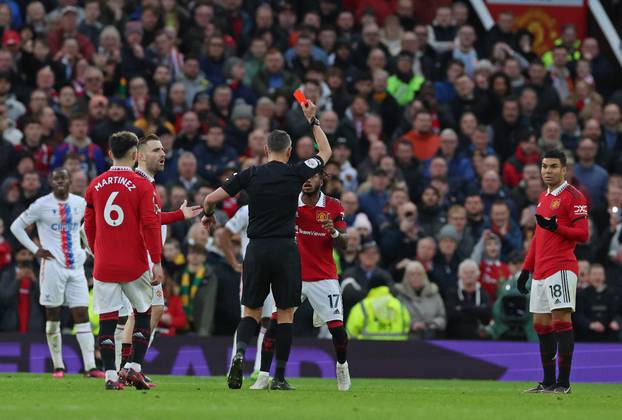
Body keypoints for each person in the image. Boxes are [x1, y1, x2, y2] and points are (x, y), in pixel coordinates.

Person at [201, 100, 331, 390]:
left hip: (256, 249)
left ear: (264, 150)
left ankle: (239, 354)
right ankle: (280, 377)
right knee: (284, 315)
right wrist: (313, 120)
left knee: (251, 312)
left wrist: (208, 218)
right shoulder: (297, 172)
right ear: (289, 151)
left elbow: (209, 200)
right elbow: (326, 152)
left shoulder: (251, 174)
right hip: (285, 249)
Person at [252, 171, 350, 391]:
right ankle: (265, 375)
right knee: (275, 324)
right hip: (292, 275)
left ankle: (342, 366)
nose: (307, 180)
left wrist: (334, 232)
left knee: (337, 330)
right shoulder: (290, 203)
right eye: (304, 177)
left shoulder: (333, 206)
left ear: (322, 180)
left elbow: (346, 243)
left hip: (324, 277)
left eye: (312, 177)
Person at [84, 131, 163, 390]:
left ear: (109, 153)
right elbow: (151, 224)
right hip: (134, 263)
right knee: (143, 314)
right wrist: (157, 260)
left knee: (107, 320)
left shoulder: (95, 184)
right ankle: (135, 369)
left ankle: (109, 375)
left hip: (104, 264)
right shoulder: (142, 185)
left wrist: (99, 252)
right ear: (135, 155)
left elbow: (89, 226)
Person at [118, 134, 201, 375]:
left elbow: (152, 218)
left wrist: (178, 215)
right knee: (144, 310)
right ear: (140, 156)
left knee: (152, 308)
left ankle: (131, 365)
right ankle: (128, 366)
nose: (162, 153)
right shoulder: (138, 182)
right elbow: (143, 222)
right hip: (139, 256)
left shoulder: (147, 183)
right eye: (156, 150)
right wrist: (155, 260)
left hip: (142, 255)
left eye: (163, 149)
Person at [10, 168, 104, 379]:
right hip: (52, 267)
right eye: (56, 179)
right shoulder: (41, 205)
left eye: (63, 178)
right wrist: (36, 250)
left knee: (81, 315)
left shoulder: (80, 203)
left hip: (76, 267)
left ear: (70, 181)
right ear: (51, 183)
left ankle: (90, 366)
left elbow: (85, 229)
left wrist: (89, 251)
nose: (60, 181)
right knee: (53, 315)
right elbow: (16, 226)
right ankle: (58, 366)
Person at [518, 149, 589, 394]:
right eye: (544, 166)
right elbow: (538, 238)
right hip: (540, 271)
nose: (547, 171)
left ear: (564, 170)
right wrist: (526, 269)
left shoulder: (574, 196)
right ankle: (548, 383)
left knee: (561, 322)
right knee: (540, 325)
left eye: (553, 167)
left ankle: (564, 384)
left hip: (561, 267)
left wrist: (557, 227)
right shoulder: (543, 198)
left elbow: (583, 234)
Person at [220, 204, 276, 378]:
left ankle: (257, 368)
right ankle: (238, 366)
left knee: (266, 320)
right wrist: (233, 262)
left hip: (272, 270)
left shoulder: (277, 206)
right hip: (253, 270)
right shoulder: (247, 210)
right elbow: (225, 234)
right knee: (250, 318)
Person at [346, 274, 411, 340]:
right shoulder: (399, 306)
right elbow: (407, 326)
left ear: (370, 288)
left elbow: (350, 332)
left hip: (367, 348)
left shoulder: (361, 307)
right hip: (399, 348)